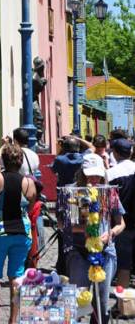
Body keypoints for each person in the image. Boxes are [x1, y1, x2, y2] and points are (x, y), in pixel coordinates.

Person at [57, 152, 124, 323]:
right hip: (78, 251)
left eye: (98, 175)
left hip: (105, 252)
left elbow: (120, 223)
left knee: (101, 302)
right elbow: (61, 224)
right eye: (90, 174)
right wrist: (81, 228)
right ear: (82, 172)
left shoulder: (109, 193)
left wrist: (111, 233)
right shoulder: (71, 192)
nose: (94, 178)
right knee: (77, 300)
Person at [0, 143, 36, 324]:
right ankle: (13, 320)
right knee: (16, 278)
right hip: (22, 233)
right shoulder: (29, 182)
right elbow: (32, 205)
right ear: (21, 162)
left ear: (3, 159)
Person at [106, 138, 135, 288]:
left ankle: (122, 303)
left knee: (123, 266)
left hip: (122, 224)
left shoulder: (110, 174)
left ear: (115, 153)